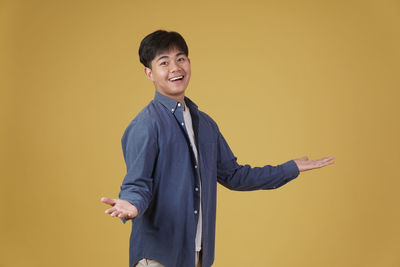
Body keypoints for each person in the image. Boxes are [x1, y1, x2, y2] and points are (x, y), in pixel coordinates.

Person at [101, 30, 334, 267]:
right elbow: (137, 183)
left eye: (180, 59)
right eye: (164, 62)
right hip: (158, 257)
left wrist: (289, 168)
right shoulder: (146, 124)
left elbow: (234, 175)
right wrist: (130, 203)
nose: (175, 68)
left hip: (197, 256)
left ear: (189, 63)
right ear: (149, 73)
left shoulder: (206, 124)